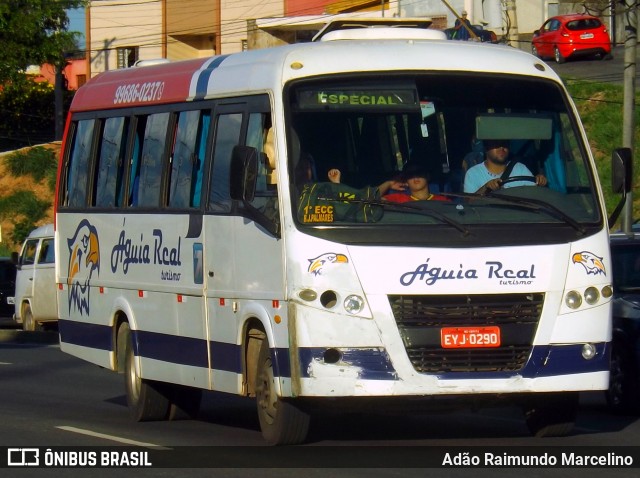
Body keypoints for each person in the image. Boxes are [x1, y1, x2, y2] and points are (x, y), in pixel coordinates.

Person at [328, 162, 448, 202]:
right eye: (411, 175)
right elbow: (367, 199)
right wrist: (389, 183)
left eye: (419, 174)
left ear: (427, 177)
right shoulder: (397, 199)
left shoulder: (442, 201)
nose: (415, 177)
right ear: (405, 180)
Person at [463, 139, 548, 194]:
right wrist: (486, 187)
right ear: (486, 148)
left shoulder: (520, 168)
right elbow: (469, 202)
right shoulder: (473, 173)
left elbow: (534, 194)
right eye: (496, 144)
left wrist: (540, 181)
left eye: (505, 144)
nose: (501, 148)